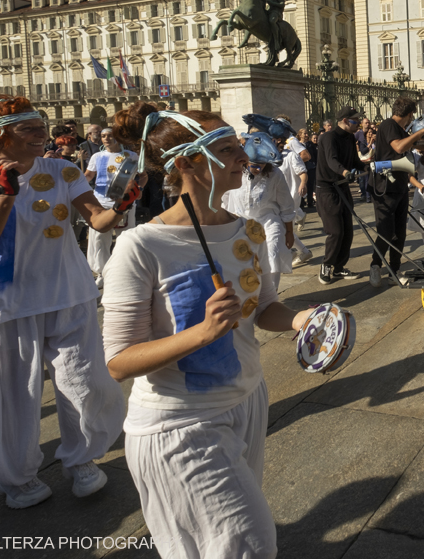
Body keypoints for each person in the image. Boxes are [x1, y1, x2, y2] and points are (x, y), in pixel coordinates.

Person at [102, 103, 318, 558]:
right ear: (186, 163)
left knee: (218, 547)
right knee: (249, 545)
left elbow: (265, 309)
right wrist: (201, 333)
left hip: (248, 399)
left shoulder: (249, 231)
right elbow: (119, 361)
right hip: (179, 423)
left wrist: (301, 320)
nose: (244, 155)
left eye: (239, 145)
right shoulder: (140, 245)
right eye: (227, 149)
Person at [0, 94, 136, 509]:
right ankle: (17, 478)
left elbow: (96, 219)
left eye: (40, 127)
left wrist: (121, 204)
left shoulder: (62, 169)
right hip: (4, 303)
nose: (41, 134)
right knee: (13, 399)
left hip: (69, 292)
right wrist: (3, 195)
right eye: (27, 129)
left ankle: (81, 459)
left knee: (86, 384)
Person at [222, 132, 309, 292]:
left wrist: (289, 232)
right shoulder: (233, 172)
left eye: (260, 165)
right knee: (244, 263)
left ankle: (270, 295)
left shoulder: (275, 175)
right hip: (241, 225)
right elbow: (225, 200)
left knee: (272, 257)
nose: (256, 168)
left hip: (269, 223)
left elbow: (286, 205)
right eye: (253, 164)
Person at [369, 97, 424, 287]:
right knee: (386, 231)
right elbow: (399, 147)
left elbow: (406, 147)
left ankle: (394, 269)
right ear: (410, 114)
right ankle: (375, 265)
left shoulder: (400, 129)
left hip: (399, 185)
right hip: (385, 187)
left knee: (399, 232)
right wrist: (422, 132)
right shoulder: (389, 125)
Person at [315, 107, 368, 284]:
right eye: (355, 121)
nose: (358, 124)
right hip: (327, 189)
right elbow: (331, 161)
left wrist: (368, 167)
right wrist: (345, 172)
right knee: (335, 232)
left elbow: (355, 161)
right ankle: (326, 266)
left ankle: (339, 268)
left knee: (347, 231)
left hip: (343, 187)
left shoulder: (350, 138)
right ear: (345, 121)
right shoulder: (328, 137)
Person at [84, 127, 140, 287]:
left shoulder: (131, 156)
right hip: (100, 201)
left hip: (125, 200)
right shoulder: (97, 156)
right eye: (103, 136)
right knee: (100, 238)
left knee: (125, 236)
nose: (106, 138)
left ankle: (125, 270)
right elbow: (88, 175)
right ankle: (103, 272)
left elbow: (142, 176)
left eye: (110, 135)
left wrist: (139, 189)